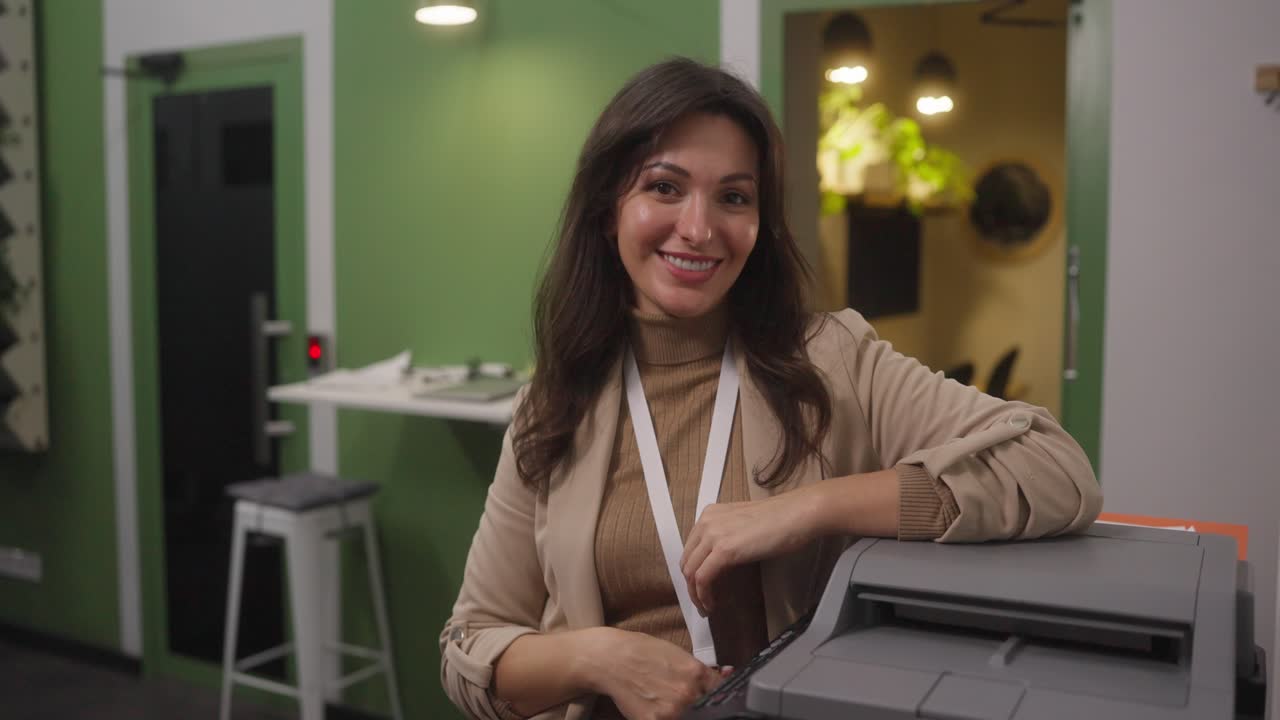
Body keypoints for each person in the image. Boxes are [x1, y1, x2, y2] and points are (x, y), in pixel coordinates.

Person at [440, 57, 1101, 720]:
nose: (699, 228)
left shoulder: (831, 359)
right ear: (609, 209)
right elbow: (470, 646)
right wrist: (599, 659)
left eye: (734, 197)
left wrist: (808, 507)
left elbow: (1056, 469)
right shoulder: (554, 404)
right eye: (665, 187)